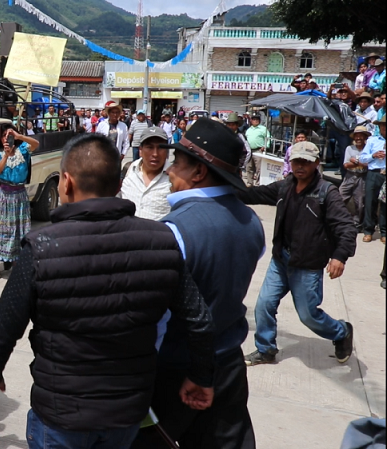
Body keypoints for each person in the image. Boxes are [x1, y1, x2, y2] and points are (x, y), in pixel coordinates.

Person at [0, 133, 216, 449]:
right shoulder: (162, 240)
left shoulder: (41, 247)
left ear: (66, 182)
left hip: (61, 414)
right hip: (127, 412)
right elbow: (200, 321)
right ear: (118, 185)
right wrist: (202, 377)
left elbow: (3, 328)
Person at [132, 118, 265, 449]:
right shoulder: (253, 223)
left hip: (178, 370)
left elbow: (157, 318)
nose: (171, 171)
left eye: (177, 163)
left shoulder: (175, 230)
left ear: (199, 172)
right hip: (229, 365)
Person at [236, 141, 356, 367]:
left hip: (307, 265)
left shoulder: (326, 193)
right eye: (296, 161)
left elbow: (346, 227)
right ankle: (266, 349)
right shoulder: (285, 187)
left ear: (316, 164)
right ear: (290, 163)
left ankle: (341, 331)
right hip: (281, 260)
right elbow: (255, 194)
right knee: (264, 305)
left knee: (308, 316)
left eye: (306, 162)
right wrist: (224, 190)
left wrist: (340, 256)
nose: (300, 166)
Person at [0, 124, 38, 279]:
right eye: (3, 136)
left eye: (8, 135)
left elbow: (36, 144)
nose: (6, 138)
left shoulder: (23, 151)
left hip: (20, 195)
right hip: (4, 195)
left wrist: (19, 136)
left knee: (19, 231)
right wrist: (6, 156)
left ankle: (17, 262)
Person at [119, 127, 172, 220]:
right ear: (140, 150)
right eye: (150, 147)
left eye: (160, 148)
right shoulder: (129, 170)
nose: (155, 154)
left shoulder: (174, 178)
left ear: (167, 152)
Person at [359, 115, 386, 243]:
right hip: (374, 173)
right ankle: (368, 230)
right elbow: (362, 158)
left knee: (385, 204)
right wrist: (374, 155)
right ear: (380, 127)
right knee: (370, 202)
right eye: (383, 126)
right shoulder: (372, 141)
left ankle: (384, 232)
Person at [341, 126, 371, 230]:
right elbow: (346, 165)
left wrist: (355, 161)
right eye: (356, 136)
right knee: (340, 197)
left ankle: (357, 224)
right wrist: (360, 163)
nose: (358, 138)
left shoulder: (368, 149)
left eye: (361, 136)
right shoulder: (349, 148)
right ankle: (338, 219)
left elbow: (368, 165)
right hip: (349, 176)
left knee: (360, 202)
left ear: (365, 137)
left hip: (362, 177)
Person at [244, 114, 270, 187]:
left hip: (258, 150)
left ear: (259, 121)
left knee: (259, 168)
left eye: (257, 119)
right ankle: (250, 182)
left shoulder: (263, 129)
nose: (255, 121)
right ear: (251, 120)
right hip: (249, 151)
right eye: (254, 119)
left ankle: (258, 183)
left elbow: (268, 138)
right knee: (249, 167)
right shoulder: (249, 129)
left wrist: (265, 146)